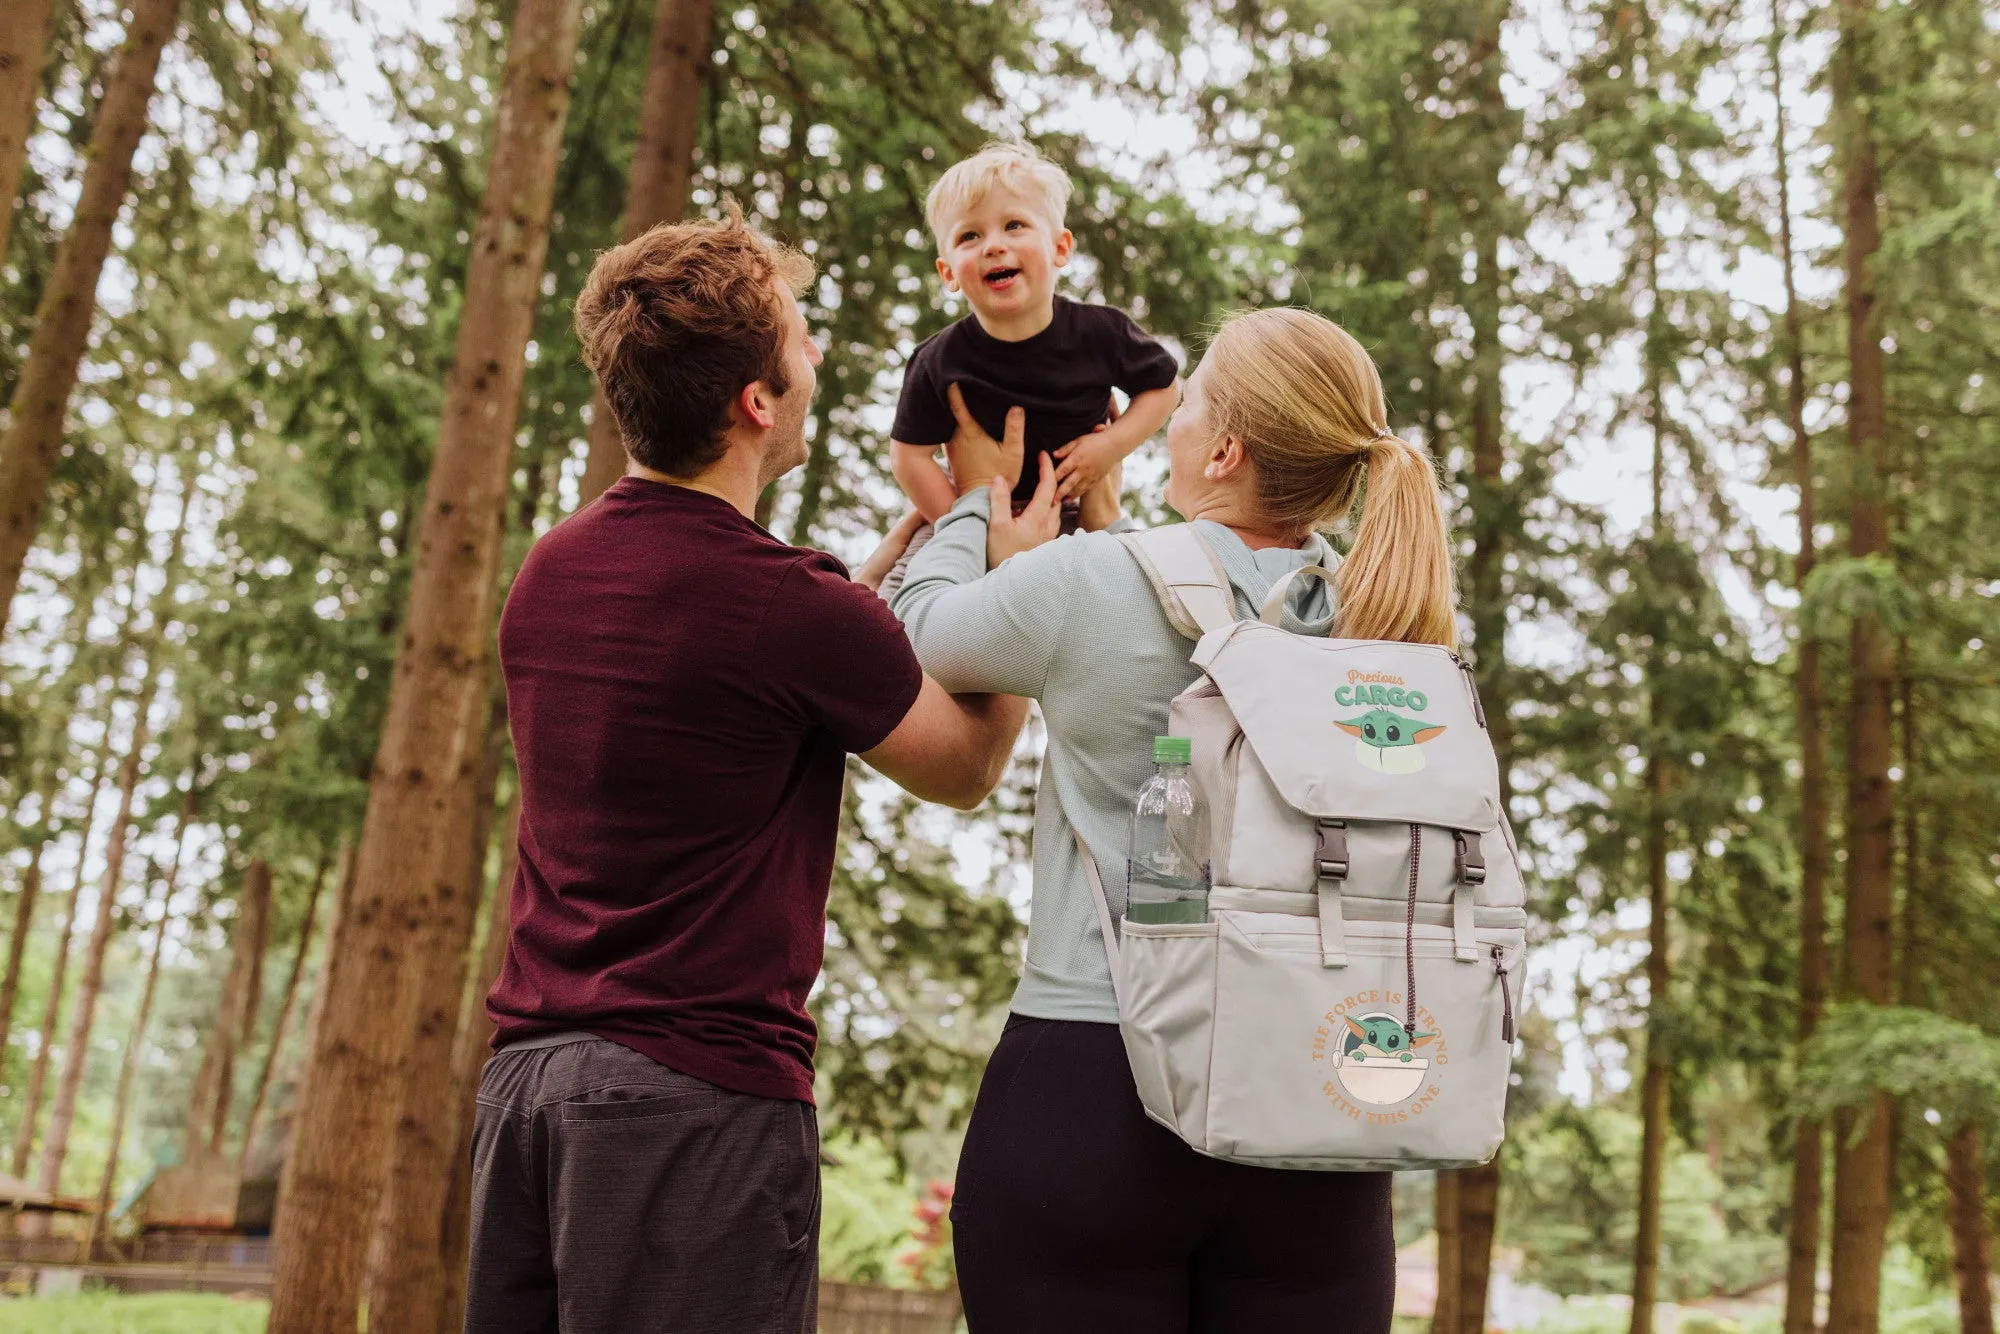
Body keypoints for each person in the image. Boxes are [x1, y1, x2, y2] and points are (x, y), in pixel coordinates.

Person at [464, 215, 1026, 1334]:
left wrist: (886, 568)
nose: (815, 356)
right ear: (756, 403)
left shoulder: (553, 569)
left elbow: (745, 652)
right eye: (804, 340)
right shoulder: (786, 605)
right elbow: (963, 765)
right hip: (688, 1107)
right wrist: (1010, 585)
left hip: (526, 1099)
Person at [891, 307, 1460, 1330]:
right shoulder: (1391, 623)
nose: (1171, 417)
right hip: (1319, 1110)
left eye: (1187, 399)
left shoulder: (1087, 583)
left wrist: (975, 507)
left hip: (1090, 1086)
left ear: (1226, 447)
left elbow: (911, 632)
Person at [876, 140, 1181, 597]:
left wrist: (1112, 447)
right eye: (969, 236)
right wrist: (963, 520)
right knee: (900, 609)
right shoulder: (938, 359)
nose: (993, 246)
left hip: (1071, 512)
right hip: (969, 512)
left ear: (1059, 247)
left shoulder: (1101, 333)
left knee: (1135, 597)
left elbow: (1165, 388)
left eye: (1013, 225)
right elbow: (908, 457)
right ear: (948, 272)